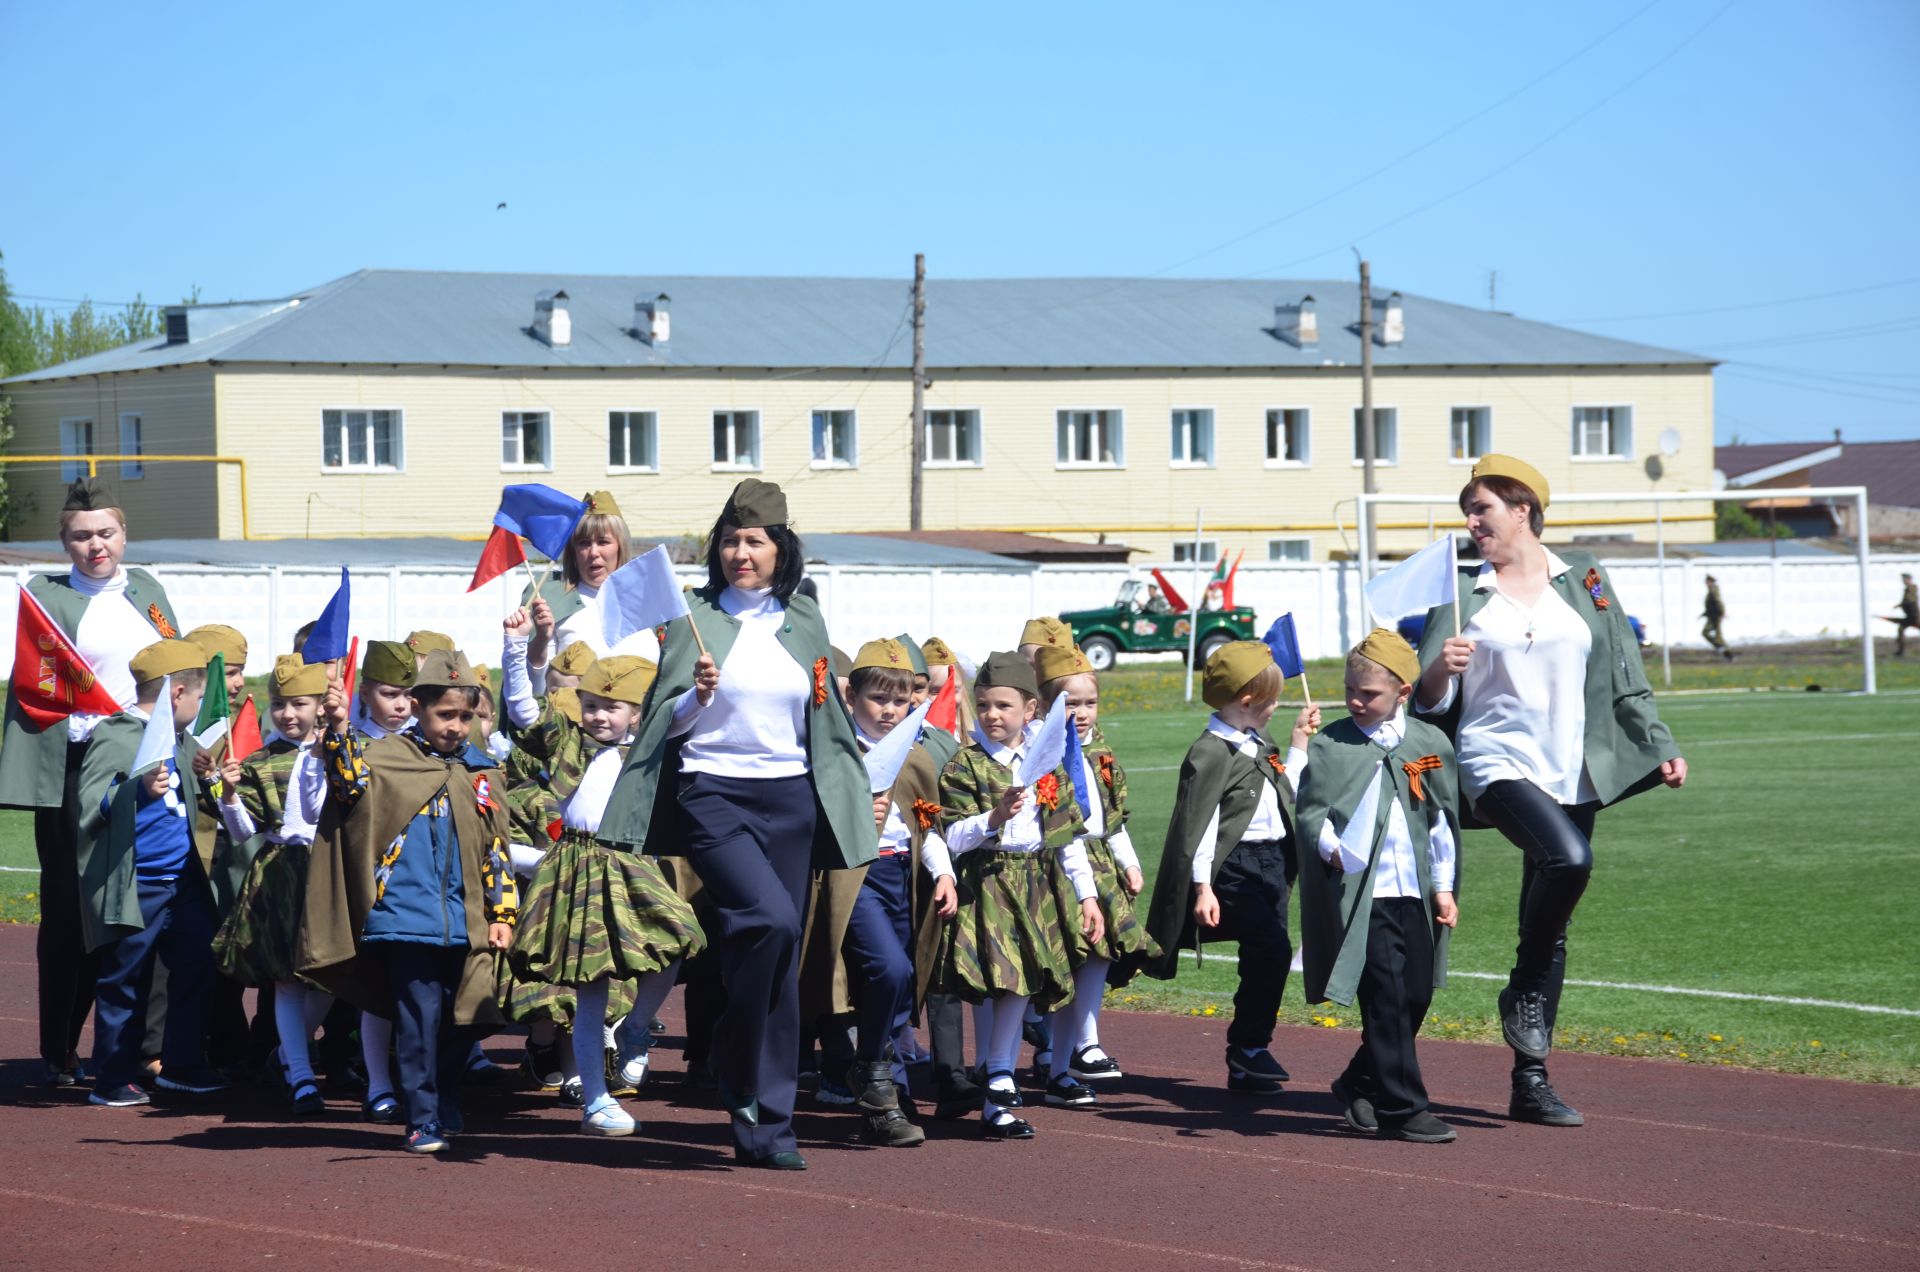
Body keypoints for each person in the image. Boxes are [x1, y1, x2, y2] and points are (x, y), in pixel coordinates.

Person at [598, 478, 876, 1171]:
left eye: (753, 541)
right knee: (770, 923)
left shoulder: (805, 617)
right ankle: (726, 1044)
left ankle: (768, 1129)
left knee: (780, 969)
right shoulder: (692, 615)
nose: (739, 553)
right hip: (713, 796)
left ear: (782, 549)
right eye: (730, 540)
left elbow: (822, 716)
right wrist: (694, 697)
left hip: (790, 800)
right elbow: (663, 723)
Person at [1415, 454, 1686, 1128]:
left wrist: (1658, 741)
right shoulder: (1457, 594)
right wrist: (1435, 675)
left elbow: (1625, 667)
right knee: (1570, 860)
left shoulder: (1585, 577)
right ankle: (1521, 992)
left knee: (1554, 917)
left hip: (1574, 767)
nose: (1473, 523)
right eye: (1468, 513)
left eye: (1483, 509)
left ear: (1523, 509)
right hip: (1493, 762)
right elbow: (1421, 702)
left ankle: (1529, 1081)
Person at [0, 478, 184, 1089]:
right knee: (69, 917)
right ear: (64, 542)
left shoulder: (150, 592)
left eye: (105, 533)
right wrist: (98, 718)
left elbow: (176, 673)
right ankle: (59, 1051)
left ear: (123, 534)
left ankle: (144, 1049)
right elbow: (35, 686)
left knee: (148, 903)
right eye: (81, 536)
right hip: (76, 767)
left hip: (148, 763)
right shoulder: (44, 597)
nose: (95, 546)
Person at [299, 649, 520, 1154]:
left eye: (466, 716)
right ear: (418, 708)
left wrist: (502, 911)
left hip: (468, 920)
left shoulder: (481, 772)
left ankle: (442, 1094)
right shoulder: (387, 758)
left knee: (471, 1013)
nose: (457, 726)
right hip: (405, 919)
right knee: (418, 1020)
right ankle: (422, 1116)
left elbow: (496, 847)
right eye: (446, 715)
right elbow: (348, 782)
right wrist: (336, 729)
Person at [499, 619, 703, 1137]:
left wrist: (701, 691)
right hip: (578, 867)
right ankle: (596, 1099)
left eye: (611, 706)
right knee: (589, 990)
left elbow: (679, 717)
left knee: (680, 939)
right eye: (591, 704)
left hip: (632, 862)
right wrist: (517, 646)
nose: (598, 715)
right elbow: (523, 709)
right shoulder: (567, 741)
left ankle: (635, 1029)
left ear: (636, 713)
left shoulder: (648, 749)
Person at [931, 651, 1104, 1140]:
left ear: (1031, 710)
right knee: (1004, 982)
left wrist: (1088, 896)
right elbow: (950, 837)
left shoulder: (1046, 764)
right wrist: (994, 818)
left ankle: (997, 1098)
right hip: (988, 885)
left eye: (1004, 706)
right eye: (984, 705)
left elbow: (1067, 840)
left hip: (1037, 886)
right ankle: (999, 1072)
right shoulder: (966, 764)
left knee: (1023, 984)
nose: (992, 715)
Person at [1296, 631, 1461, 1143]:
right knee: (1385, 996)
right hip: (1360, 898)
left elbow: (1439, 821)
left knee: (1414, 995)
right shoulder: (1332, 743)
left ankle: (1358, 1081)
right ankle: (1402, 1108)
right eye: (1350, 689)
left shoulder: (1429, 744)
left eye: (1368, 693)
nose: (1354, 700)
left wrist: (1443, 885)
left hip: (1412, 891)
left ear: (1404, 692)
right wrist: (1331, 850)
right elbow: (1311, 815)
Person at [1141, 641, 1318, 1095]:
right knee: (1273, 949)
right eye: (1272, 699)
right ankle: (1249, 1046)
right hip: (1232, 868)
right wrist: (1203, 887)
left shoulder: (1261, 742)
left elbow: (1285, 791)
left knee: (1264, 955)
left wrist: (1299, 743)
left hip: (1273, 863)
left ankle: (1246, 1063)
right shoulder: (1211, 753)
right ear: (1247, 701)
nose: (1276, 706)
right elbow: (1199, 826)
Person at [76, 638, 226, 1106]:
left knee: (198, 965)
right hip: (137, 883)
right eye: (197, 698)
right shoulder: (118, 735)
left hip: (181, 883)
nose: (199, 707)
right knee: (125, 978)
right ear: (177, 693)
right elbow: (90, 806)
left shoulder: (179, 741)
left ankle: (181, 1065)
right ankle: (112, 1077)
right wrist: (136, 791)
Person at [1033, 642, 1158, 1109]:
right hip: (1052, 866)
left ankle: (1076, 1051)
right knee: (1054, 963)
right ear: (1045, 705)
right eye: (1070, 703)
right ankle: (1004, 1061)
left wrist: (1129, 861)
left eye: (1090, 702)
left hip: (1099, 865)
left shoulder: (1100, 753)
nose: (1082, 713)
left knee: (1097, 954)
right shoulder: (1038, 753)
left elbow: (1113, 818)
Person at [211, 652, 336, 1114]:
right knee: (287, 980)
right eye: (281, 704)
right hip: (281, 874)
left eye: (300, 703)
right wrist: (227, 794)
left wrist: (328, 755)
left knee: (331, 975)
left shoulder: (343, 749)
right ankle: (302, 1079)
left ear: (321, 705)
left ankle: (287, 1054)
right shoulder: (261, 760)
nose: (289, 714)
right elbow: (245, 831)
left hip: (329, 872)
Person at [835, 637, 938, 1147]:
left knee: (901, 982)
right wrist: (857, 810)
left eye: (900, 701)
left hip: (903, 875)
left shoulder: (913, 753)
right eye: (879, 699)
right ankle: (871, 1072)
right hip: (855, 876)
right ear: (852, 695)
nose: (890, 710)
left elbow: (926, 821)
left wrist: (942, 872)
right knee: (888, 969)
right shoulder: (836, 749)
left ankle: (885, 1101)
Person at [523, 491, 660, 683]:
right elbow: (534, 689)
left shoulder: (649, 597)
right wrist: (541, 640)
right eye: (584, 543)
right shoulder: (551, 597)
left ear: (620, 546)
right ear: (574, 551)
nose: (593, 552)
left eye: (603, 542)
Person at [1701, 575, 1734, 661]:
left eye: (1707, 582)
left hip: (1716, 616)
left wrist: (1723, 612)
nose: (1706, 584)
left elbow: (1718, 602)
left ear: (1711, 582)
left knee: (1718, 637)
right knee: (1705, 632)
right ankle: (1719, 647)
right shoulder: (1711, 591)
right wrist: (1704, 613)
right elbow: (1710, 604)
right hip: (1711, 617)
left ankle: (1729, 654)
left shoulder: (1714, 591)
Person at [1892, 572, 1919, 657]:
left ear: (1909, 579)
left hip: (1915, 616)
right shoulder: (1907, 589)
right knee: (1900, 630)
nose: (1903, 581)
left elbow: (1910, 600)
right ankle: (1901, 651)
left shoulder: (1912, 588)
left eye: (1904, 579)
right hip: (1909, 616)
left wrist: (1901, 604)